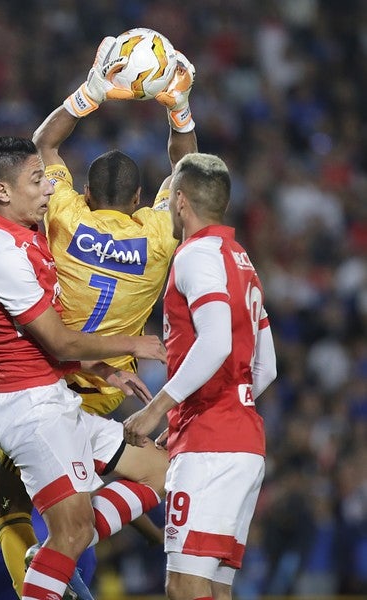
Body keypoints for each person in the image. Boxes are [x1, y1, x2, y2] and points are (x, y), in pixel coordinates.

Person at [0, 37, 197, 593]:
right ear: (139, 199)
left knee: (18, 512)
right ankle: (50, 572)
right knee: (67, 526)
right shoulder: (157, 236)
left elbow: (44, 144)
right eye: (34, 182)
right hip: (60, 388)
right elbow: (188, 173)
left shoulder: (60, 217)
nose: (41, 188)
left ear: (84, 192)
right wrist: (179, 108)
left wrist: (90, 93)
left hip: (57, 381)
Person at [122, 152, 277, 600]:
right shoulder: (240, 260)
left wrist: (156, 411)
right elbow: (265, 366)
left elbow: (215, 343)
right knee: (214, 588)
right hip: (243, 441)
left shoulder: (194, 256)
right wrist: (199, 409)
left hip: (211, 446)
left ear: (180, 201)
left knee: (184, 586)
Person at [0, 433, 164, 600]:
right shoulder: (23, 458)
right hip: (75, 548)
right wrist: (153, 534)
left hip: (6, 550)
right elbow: (96, 493)